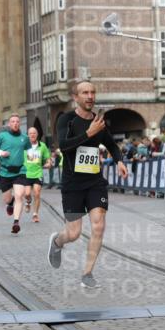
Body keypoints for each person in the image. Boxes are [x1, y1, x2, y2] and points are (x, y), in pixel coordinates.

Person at [47, 81, 129, 288]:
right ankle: (57, 242)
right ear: (76, 97)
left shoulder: (99, 122)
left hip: (94, 181)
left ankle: (87, 274)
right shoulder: (67, 119)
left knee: (99, 225)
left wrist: (119, 160)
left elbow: (111, 144)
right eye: (85, 92)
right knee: (73, 234)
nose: (90, 96)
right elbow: (63, 146)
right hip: (72, 183)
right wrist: (88, 134)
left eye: (92, 92)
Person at [0, 114, 30, 234]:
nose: (15, 123)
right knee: (7, 199)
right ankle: (10, 204)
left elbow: (29, 150)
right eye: (13, 121)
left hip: (20, 171)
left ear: (19, 123)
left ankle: (16, 223)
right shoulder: (2, 136)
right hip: (5, 172)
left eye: (17, 121)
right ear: (9, 124)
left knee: (19, 195)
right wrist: (0, 152)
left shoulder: (24, 138)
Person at [22, 127, 51, 222]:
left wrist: (48, 163)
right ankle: (28, 201)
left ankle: (35, 214)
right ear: (28, 135)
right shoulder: (24, 146)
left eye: (34, 133)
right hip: (26, 173)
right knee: (26, 194)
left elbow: (47, 159)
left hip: (38, 173)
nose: (32, 135)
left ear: (37, 134)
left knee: (37, 194)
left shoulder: (42, 146)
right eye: (30, 133)